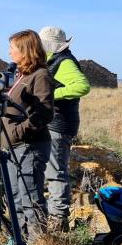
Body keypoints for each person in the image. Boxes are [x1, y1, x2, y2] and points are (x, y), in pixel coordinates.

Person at [0, 30, 55, 245]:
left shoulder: (40, 76)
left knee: (31, 196)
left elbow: (45, 113)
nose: (9, 52)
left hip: (30, 145)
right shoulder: (19, 75)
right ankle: (18, 241)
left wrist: (18, 131)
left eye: (13, 48)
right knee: (14, 197)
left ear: (26, 50)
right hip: (12, 146)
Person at [39, 26, 91, 232]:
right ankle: (53, 214)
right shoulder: (54, 60)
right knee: (51, 170)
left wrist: (51, 95)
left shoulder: (65, 61)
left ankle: (58, 220)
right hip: (54, 123)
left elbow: (82, 86)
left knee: (55, 172)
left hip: (59, 125)